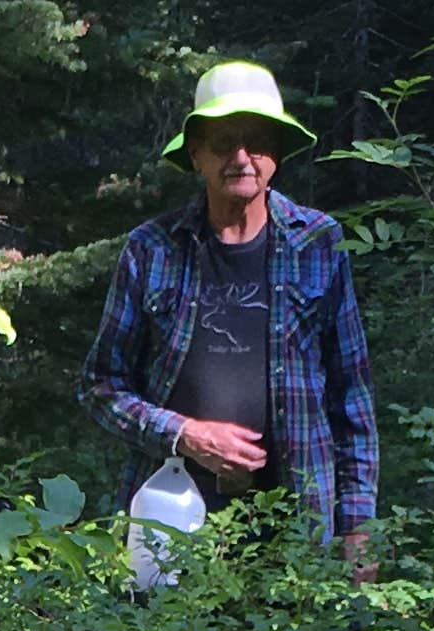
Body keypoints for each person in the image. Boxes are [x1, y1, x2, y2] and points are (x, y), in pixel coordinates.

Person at [79, 61, 377, 591]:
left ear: (277, 154)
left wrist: (357, 526)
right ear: (195, 153)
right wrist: (185, 434)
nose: (241, 157)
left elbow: (350, 396)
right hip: (172, 517)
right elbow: (100, 387)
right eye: (223, 142)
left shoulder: (319, 243)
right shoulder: (152, 249)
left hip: (298, 522)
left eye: (257, 142)